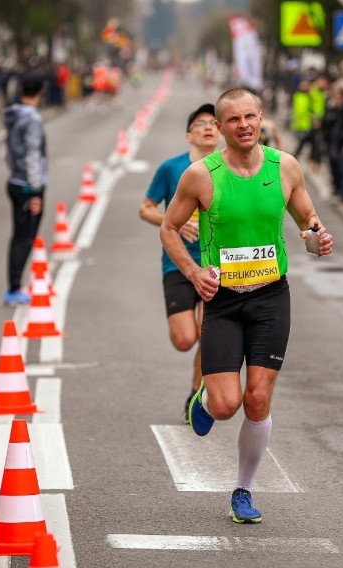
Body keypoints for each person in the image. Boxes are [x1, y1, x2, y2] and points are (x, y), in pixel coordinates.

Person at [160, 88, 333, 524]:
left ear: (261, 118)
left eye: (250, 116)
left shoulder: (285, 167)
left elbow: (308, 224)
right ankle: (205, 399)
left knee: (257, 398)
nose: (244, 125)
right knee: (225, 406)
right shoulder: (201, 175)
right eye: (233, 119)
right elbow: (169, 227)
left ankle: (243, 490)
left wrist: (317, 240)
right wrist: (193, 271)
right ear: (219, 128)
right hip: (221, 301)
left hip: (271, 296)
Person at [139, 103, 221, 422]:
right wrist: (173, 221)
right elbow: (145, 208)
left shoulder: (229, 168)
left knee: (209, 334)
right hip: (178, 263)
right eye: (200, 123)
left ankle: (197, 393)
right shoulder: (172, 169)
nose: (208, 127)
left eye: (214, 123)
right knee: (185, 339)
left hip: (216, 265)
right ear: (189, 135)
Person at [2, 73, 47, 306]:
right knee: (24, 237)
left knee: (19, 235)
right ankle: (14, 288)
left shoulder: (14, 115)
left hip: (14, 180)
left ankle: (14, 285)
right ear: (40, 92)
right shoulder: (32, 121)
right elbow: (32, 154)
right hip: (27, 185)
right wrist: (36, 191)